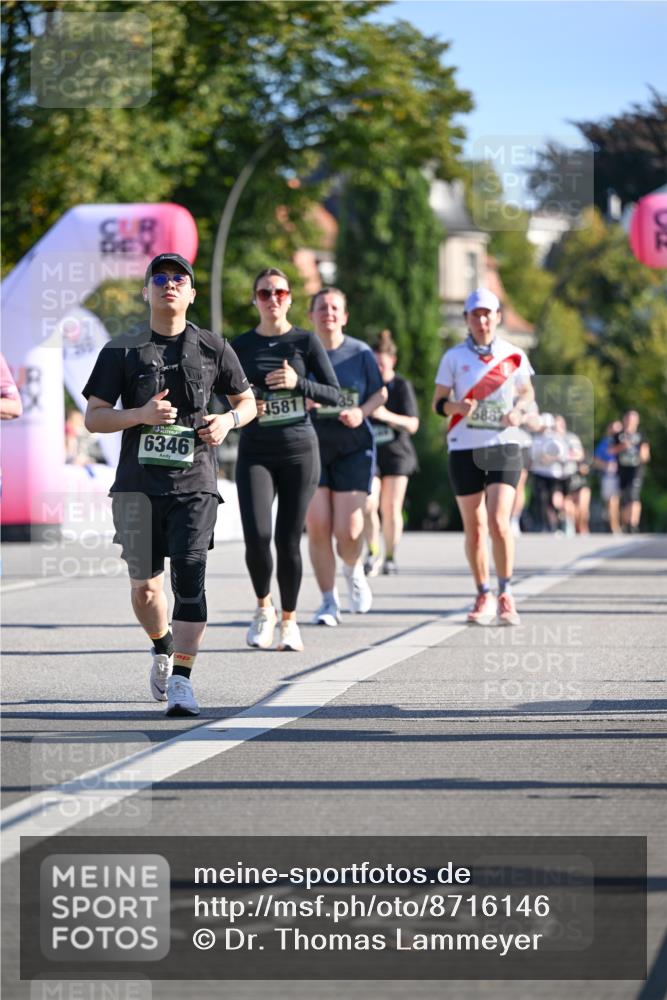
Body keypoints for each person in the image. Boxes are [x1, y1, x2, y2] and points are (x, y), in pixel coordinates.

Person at [83, 253, 256, 717]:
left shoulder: (213, 347)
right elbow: (94, 417)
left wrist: (229, 420)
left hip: (195, 483)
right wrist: (139, 415)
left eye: (179, 278)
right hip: (138, 487)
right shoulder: (122, 349)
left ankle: (182, 678)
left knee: (191, 578)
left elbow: (248, 401)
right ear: (147, 292)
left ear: (192, 292)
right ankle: (161, 645)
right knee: (145, 590)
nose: (169, 284)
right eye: (159, 278)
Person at [231, 268, 341, 652]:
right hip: (256, 450)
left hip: (299, 450)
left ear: (290, 298)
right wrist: (243, 405)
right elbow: (216, 395)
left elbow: (335, 395)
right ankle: (265, 609)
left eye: (280, 292)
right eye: (264, 293)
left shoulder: (306, 341)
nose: (273, 299)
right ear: (255, 299)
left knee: (287, 538)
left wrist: (300, 384)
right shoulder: (240, 346)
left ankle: (290, 620)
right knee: (258, 535)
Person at [432, 288, 534, 626]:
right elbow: (438, 403)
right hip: (464, 446)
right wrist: (455, 407)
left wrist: (519, 411)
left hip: (505, 445)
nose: (482, 320)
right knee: (474, 528)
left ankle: (506, 593)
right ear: (467, 319)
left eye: (487, 313)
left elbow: (526, 394)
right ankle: (483, 592)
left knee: (498, 521)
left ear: (498, 316)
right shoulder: (453, 358)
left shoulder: (514, 355)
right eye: (475, 314)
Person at [306, 288, 387, 624]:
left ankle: (353, 571)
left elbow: (380, 393)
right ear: (311, 315)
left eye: (335, 307)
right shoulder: (301, 352)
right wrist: (303, 402)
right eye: (322, 307)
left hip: (353, 447)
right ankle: (328, 601)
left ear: (345, 315)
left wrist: (361, 412)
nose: (329, 313)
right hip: (311, 447)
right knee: (318, 525)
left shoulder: (360, 353)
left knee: (350, 531)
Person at [363, 329, 419, 576]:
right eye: (374, 363)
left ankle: (390, 556)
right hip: (370, 453)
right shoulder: (365, 386)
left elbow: (413, 424)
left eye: (382, 364)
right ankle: (373, 550)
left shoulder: (401, 386)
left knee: (391, 506)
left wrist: (385, 415)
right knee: (368, 502)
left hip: (397, 454)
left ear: (392, 362)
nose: (378, 368)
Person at [609, 410, 650, 532]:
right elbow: (610, 451)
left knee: (634, 494)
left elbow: (646, 454)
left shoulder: (641, 435)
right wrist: (623, 446)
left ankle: (633, 523)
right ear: (624, 420)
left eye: (633, 420)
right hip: (622, 469)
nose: (630, 422)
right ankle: (626, 524)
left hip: (636, 469)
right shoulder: (618, 435)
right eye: (628, 419)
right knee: (625, 496)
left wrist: (642, 455)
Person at [593, 420, 622, 533]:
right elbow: (595, 460)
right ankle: (614, 526)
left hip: (624, 476)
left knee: (621, 501)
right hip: (610, 476)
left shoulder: (625, 441)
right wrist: (606, 465)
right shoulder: (605, 443)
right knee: (612, 501)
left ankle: (619, 525)